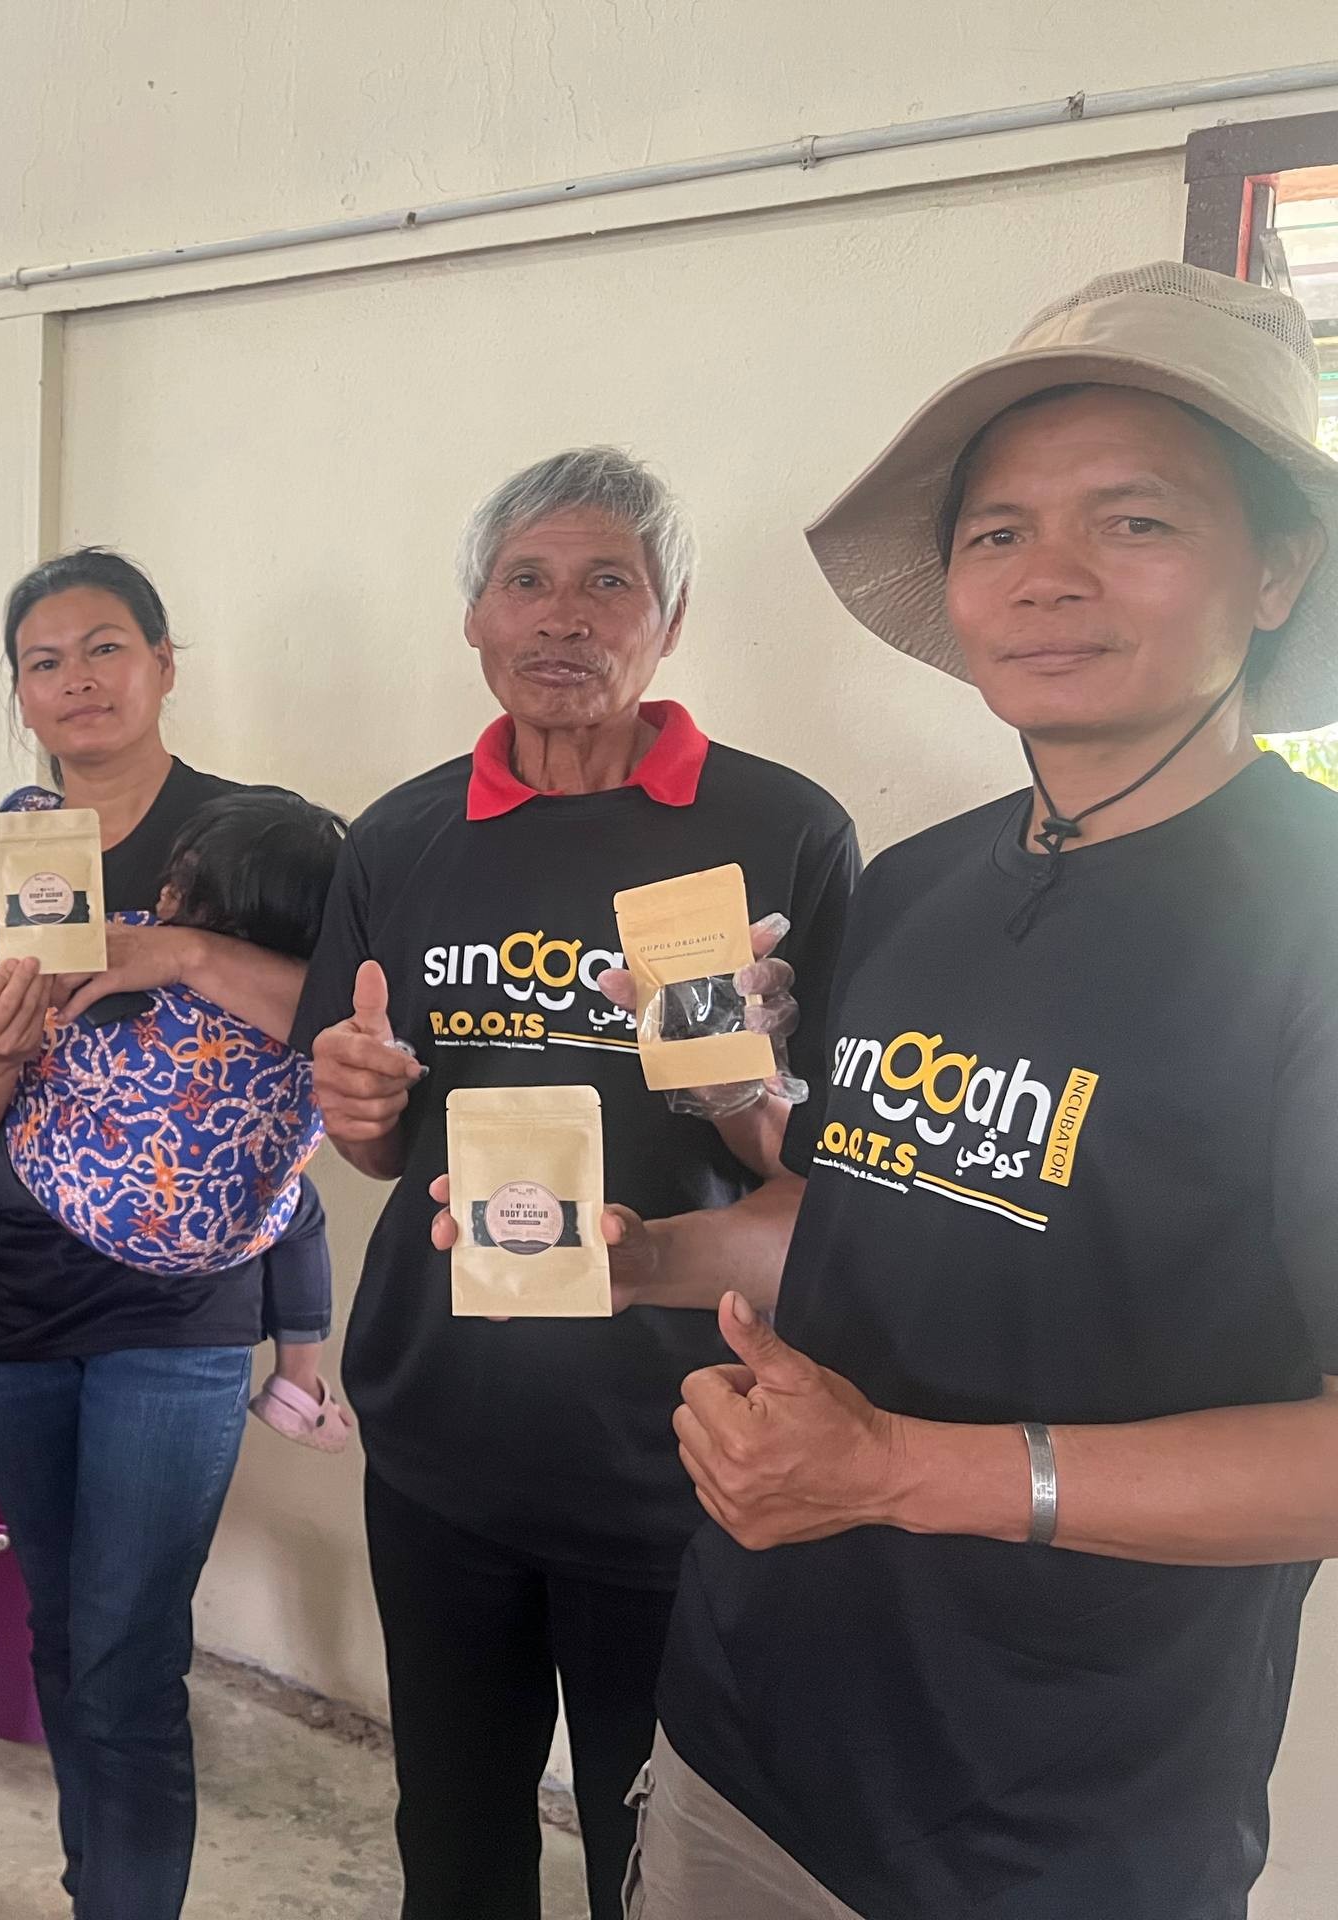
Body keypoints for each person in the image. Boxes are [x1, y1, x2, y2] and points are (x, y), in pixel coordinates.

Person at [554, 265, 1338, 1920]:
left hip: (1054, 1830)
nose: (1049, 575)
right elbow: (858, 1218)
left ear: (1276, 569)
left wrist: (901, 1470)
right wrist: (634, 1257)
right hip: (747, 1737)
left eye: (1135, 521)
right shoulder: (918, 885)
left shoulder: (1314, 923)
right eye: (999, 532)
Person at [297, 448, 857, 1920]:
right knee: (453, 1838)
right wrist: (360, 1109)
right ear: (474, 617)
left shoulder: (780, 830)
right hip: (441, 1434)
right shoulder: (400, 836)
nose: (563, 615)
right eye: (526, 581)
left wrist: (749, 1087)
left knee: (654, 1859)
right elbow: (376, 1140)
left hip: (679, 1448)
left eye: (609, 580)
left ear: (671, 618)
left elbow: (833, 1178)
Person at [0, 551, 325, 1920]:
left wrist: (182, 952)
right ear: (19, 693)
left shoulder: (253, 838)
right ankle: (99, 1888)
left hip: (180, 1313)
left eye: (104, 647)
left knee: (130, 1656)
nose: (76, 680)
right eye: (44, 661)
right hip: (22, 1308)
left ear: (162, 663)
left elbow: (350, 1026)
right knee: (59, 1633)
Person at [0, 787, 348, 1454]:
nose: (165, 893)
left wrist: (19, 828)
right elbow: (365, 1023)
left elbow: (30, 951)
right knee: (301, 1209)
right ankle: (299, 1380)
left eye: (181, 883)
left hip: (107, 1211)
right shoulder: (310, 997)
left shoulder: (132, 945)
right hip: (231, 1234)